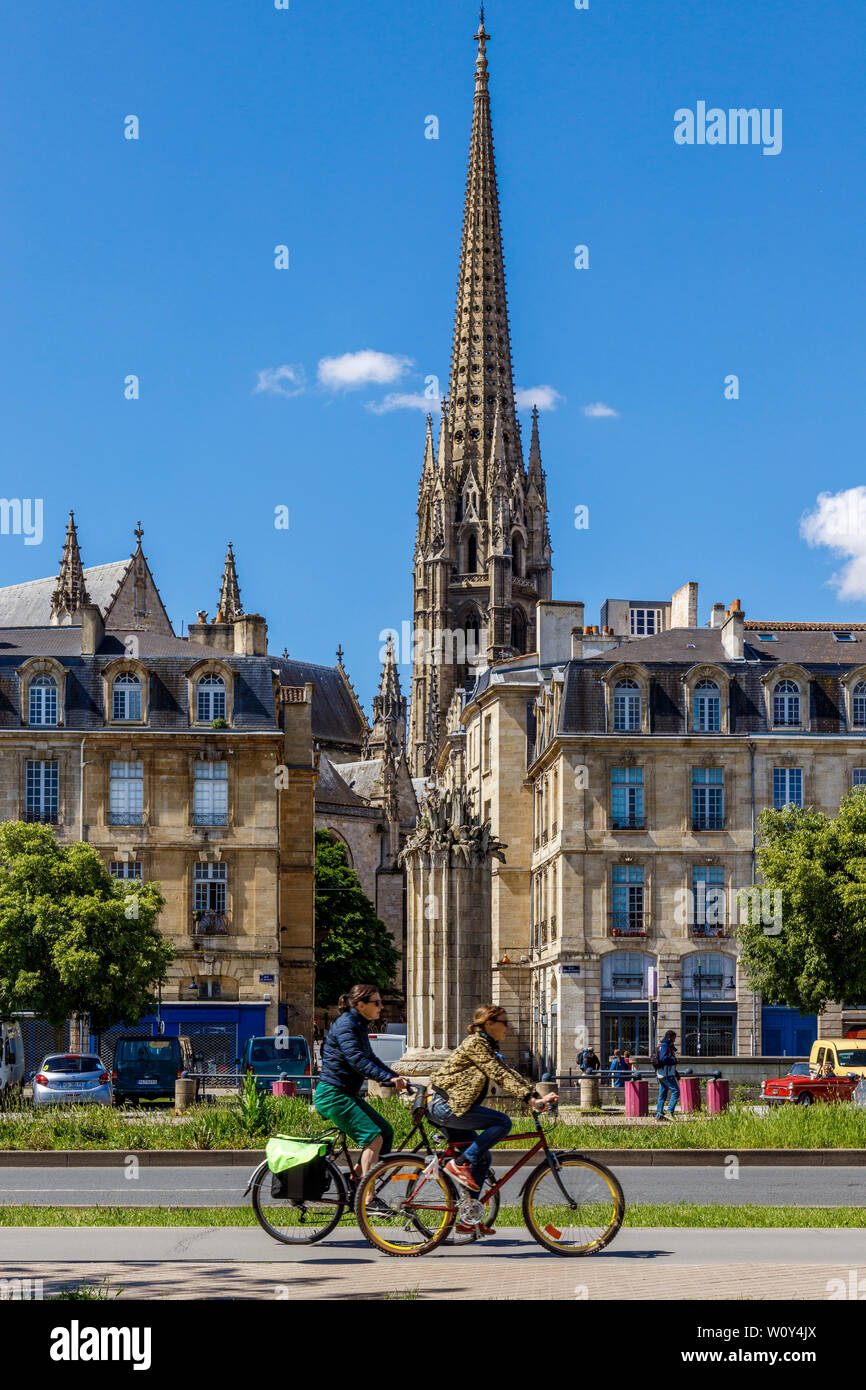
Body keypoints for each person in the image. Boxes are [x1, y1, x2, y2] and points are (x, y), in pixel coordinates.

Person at [427, 1004, 557, 1233]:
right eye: (504, 1022)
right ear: (488, 1023)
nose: (508, 1027)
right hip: (445, 1106)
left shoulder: (485, 1045)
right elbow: (499, 1074)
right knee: (503, 1122)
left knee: (483, 1158)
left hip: (452, 1108)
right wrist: (531, 1100)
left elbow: (506, 1072)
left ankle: (469, 1217)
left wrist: (536, 1096)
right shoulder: (476, 1043)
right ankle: (459, 1164)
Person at [314, 983, 408, 1215]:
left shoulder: (359, 1025)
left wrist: (394, 1076)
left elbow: (371, 1057)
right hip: (333, 1094)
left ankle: (356, 1180)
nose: (381, 1006)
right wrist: (387, 1078)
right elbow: (358, 1060)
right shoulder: (347, 1025)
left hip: (345, 1093)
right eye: (376, 1002)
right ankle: (368, 1198)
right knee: (373, 1138)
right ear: (360, 1004)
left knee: (385, 1132)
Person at [655, 1030, 680, 1120]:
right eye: (674, 1038)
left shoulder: (664, 1045)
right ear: (669, 1037)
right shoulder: (665, 1046)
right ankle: (669, 1112)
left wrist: (676, 1073)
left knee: (662, 1094)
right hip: (667, 1075)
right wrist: (674, 1061)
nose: (674, 1040)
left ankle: (659, 1115)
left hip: (662, 1074)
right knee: (676, 1092)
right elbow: (663, 1059)